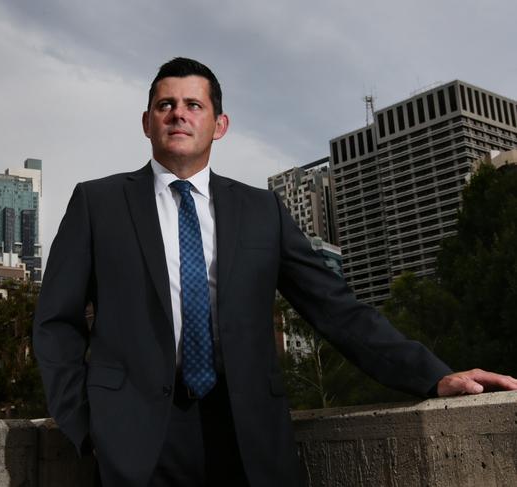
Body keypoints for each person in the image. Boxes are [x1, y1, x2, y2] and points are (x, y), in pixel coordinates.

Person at [33, 57, 517, 487]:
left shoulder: (262, 210)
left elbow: (337, 310)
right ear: (146, 122)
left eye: (193, 105)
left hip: (249, 437)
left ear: (219, 124)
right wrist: (84, 422)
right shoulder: (97, 204)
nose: (179, 113)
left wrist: (434, 377)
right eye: (165, 104)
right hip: (134, 441)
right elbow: (57, 322)